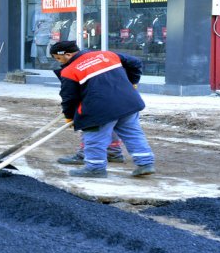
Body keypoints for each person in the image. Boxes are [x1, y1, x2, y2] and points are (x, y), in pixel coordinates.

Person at [50, 40, 155, 178]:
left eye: (58, 58)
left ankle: (95, 168)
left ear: (68, 55)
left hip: (98, 109)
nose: (59, 62)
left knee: (95, 138)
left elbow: (69, 97)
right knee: (133, 134)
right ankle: (146, 163)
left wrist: (69, 116)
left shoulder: (69, 71)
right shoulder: (106, 55)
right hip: (128, 103)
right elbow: (135, 62)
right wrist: (133, 81)